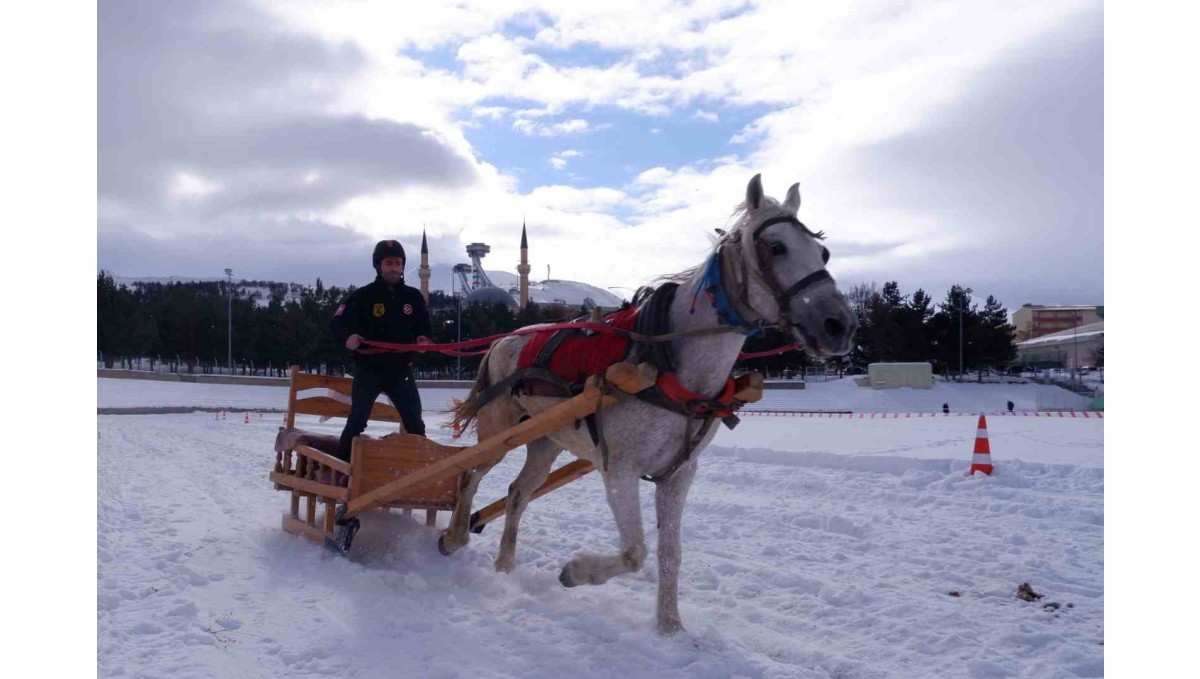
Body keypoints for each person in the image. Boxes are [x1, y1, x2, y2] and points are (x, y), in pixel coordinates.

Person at [330, 239, 433, 463]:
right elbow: (337, 324)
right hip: (369, 371)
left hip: (401, 371)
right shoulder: (362, 296)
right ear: (378, 266)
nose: (394, 268)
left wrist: (423, 340)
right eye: (389, 263)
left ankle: (421, 472)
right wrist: (348, 338)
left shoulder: (413, 298)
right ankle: (340, 471)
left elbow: (424, 328)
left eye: (398, 263)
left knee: (415, 422)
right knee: (357, 420)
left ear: (403, 266)